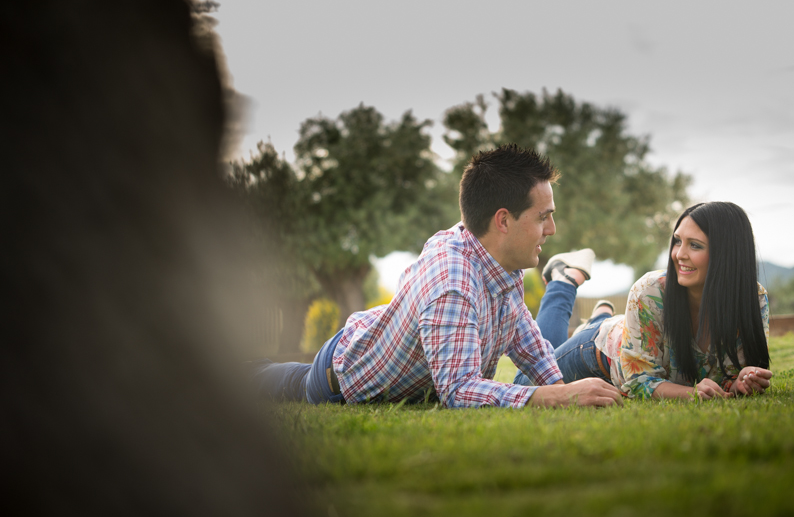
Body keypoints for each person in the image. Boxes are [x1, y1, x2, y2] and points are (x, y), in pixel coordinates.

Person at [253, 144, 623, 408]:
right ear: (503, 221)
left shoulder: (495, 259)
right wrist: (555, 395)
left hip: (374, 346)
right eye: (543, 216)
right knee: (281, 384)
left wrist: (564, 389)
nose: (553, 229)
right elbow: (459, 390)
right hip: (338, 378)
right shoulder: (453, 282)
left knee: (279, 375)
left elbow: (526, 340)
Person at [515, 202, 773, 400]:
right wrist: (692, 394)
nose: (679, 255)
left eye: (694, 245)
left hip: (628, 334)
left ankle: (600, 316)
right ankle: (565, 280)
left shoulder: (752, 299)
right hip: (599, 353)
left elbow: (730, 374)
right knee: (523, 385)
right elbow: (639, 381)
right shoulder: (650, 291)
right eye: (677, 242)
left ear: (726, 254)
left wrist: (740, 381)